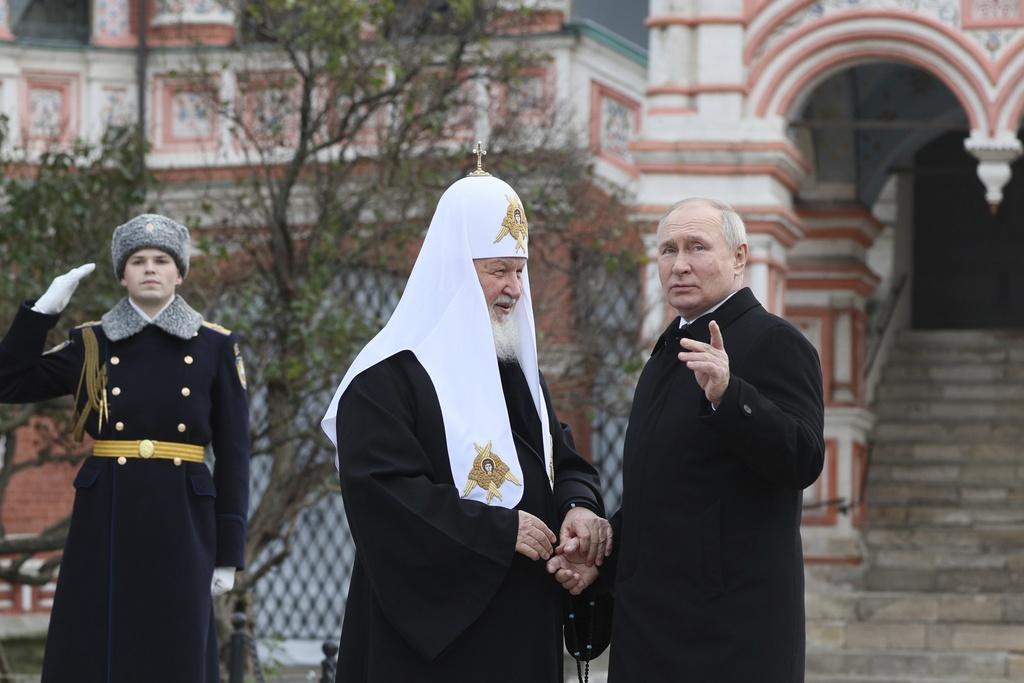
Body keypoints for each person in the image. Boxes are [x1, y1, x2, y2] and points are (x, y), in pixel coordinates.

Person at [321, 168, 611, 682]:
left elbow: (561, 459)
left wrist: (579, 508)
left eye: (520, 271)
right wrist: (498, 530)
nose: (514, 289)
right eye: (499, 270)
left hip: (522, 624)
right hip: (433, 644)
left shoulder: (515, 369)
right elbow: (385, 499)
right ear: (454, 270)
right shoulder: (385, 378)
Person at [0, 214, 250, 683]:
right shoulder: (92, 343)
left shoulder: (214, 346)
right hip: (108, 510)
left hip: (184, 514)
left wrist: (228, 552)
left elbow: (235, 455)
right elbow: (8, 382)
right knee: (98, 645)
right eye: (138, 261)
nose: (150, 268)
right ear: (122, 275)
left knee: (176, 648)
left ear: (179, 273)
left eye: (161, 260)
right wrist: (42, 312)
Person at [605, 198, 825, 682]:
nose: (679, 264)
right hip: (650, 630)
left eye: (697, 247)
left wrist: (730, 395)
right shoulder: (665, 352)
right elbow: (666, 492)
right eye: (668, 250)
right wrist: (601, 551)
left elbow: (803, 457)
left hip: (729, 636)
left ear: (739, 256)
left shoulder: (775, 341)